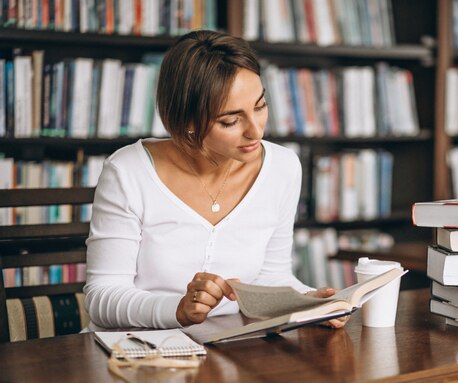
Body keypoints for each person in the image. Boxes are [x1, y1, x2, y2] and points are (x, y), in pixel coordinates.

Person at [84, 30, 347, 330]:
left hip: (228, 347)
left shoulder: (283, 168)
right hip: (131, 352)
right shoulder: (128, 171)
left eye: (260, 106)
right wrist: (177, 310)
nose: (255, 131)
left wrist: (308, 302)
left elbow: (271, 275)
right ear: (189, 122)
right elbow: (101, 296)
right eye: (230, 121)